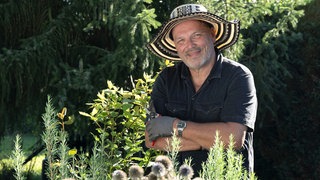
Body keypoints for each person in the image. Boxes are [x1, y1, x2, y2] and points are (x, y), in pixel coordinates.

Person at [145, 4, 257, 176]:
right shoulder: (166, 80)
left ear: (212, 35)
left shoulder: (238, 76)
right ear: (175, 45)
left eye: (196, 36)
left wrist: (175, 126)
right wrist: (205, 141)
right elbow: (152, 139)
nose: (189, 45)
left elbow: (234, 138)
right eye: (180, 40)